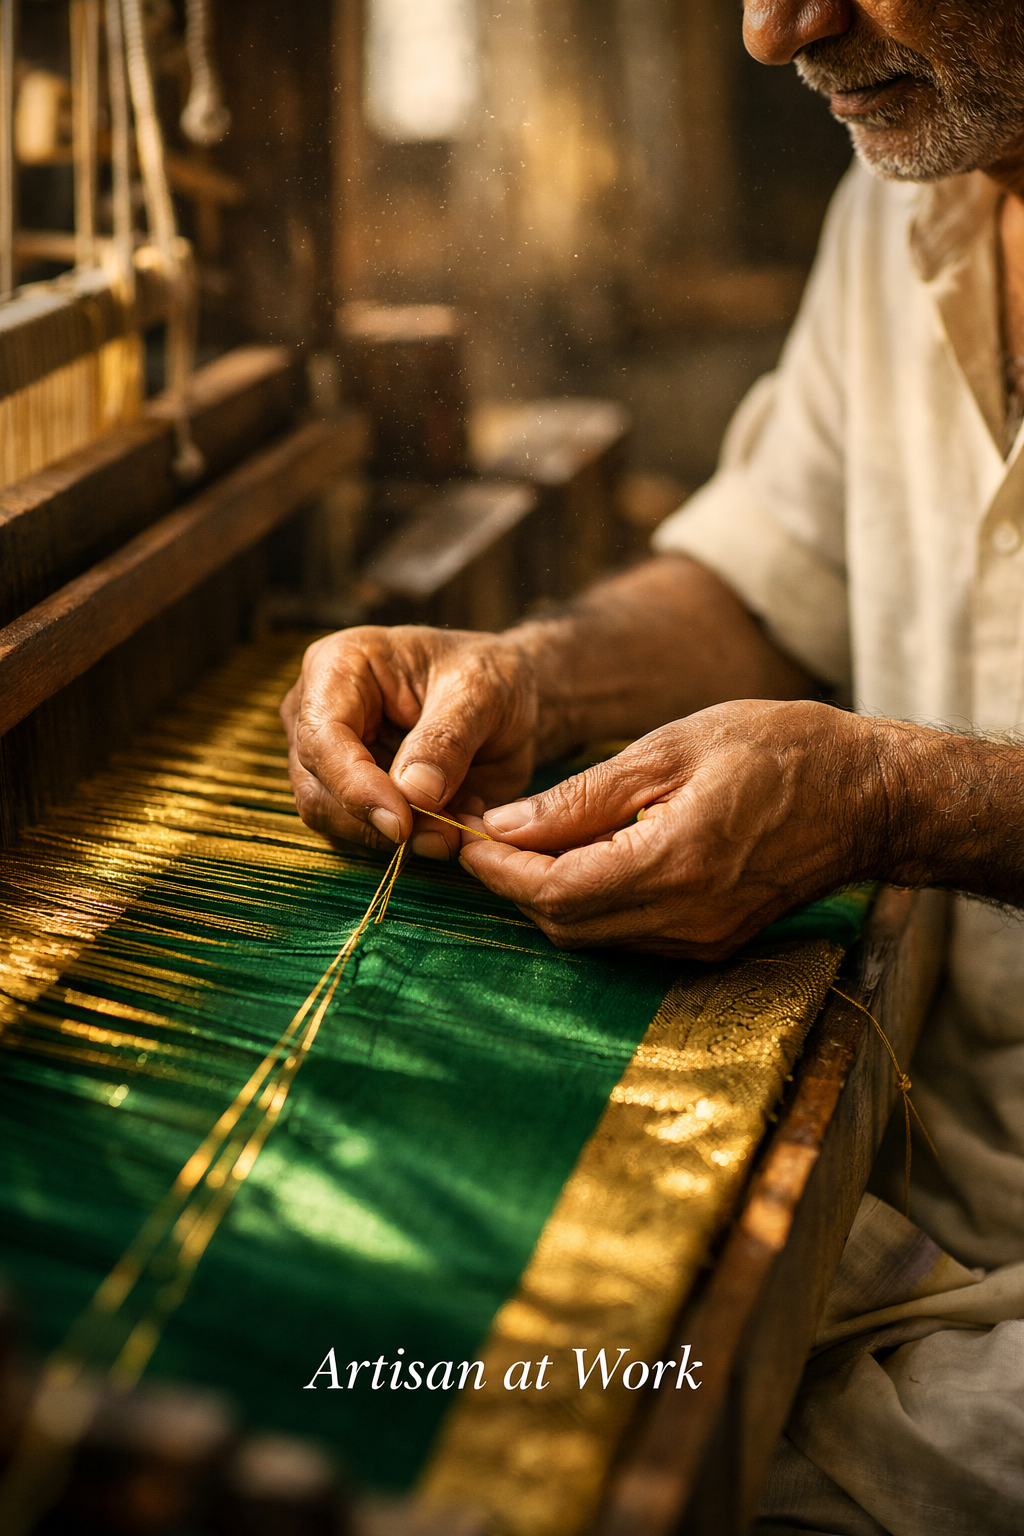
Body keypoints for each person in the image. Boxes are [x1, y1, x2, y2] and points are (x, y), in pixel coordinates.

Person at [282, 4, 1024, 1531]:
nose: (776, 30)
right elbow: (768, 581)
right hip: (930, 1183)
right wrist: (532, 674)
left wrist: (897, 795)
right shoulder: (898, 213)